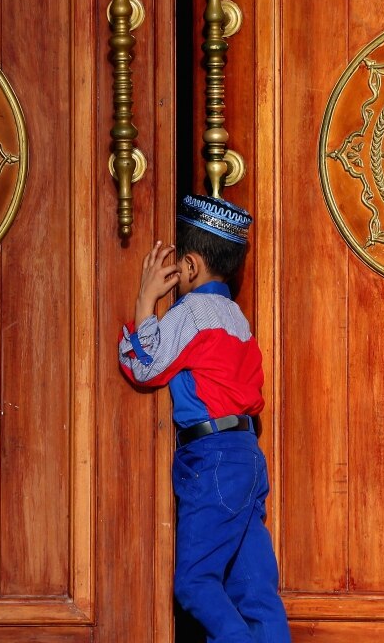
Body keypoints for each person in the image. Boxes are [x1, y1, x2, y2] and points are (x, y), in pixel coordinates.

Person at [118, 194, 291, 643]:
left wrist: (144, 300)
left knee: (195, 582)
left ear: (189, 267)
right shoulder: (237, 317)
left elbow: (145, 365)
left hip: (212, 458)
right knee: (256, 590)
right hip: (248, 456)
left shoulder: (192, 312)